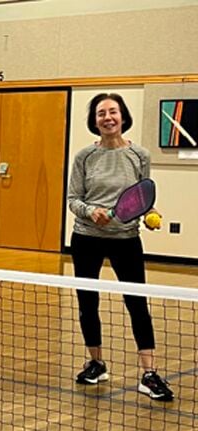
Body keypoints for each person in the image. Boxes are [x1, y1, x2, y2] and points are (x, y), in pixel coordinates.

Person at [67, 93, 173, 401]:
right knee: (88, 303)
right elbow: (74, 199)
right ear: (95, 121)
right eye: (101, 113)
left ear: (123, 116)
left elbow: (141, 197)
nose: (107, 118)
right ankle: (96, 363)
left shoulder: (139, 155)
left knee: (137, 304)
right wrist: (91, 212)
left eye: (113, 112)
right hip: (86, 237)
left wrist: (150, 214)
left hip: (126, 239)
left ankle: (149, 373)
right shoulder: (84, 156)